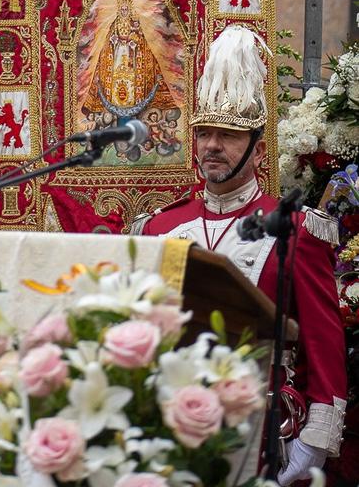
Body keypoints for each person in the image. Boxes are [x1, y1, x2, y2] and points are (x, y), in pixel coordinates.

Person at [132, 28, 346, 483]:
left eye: (228, 135)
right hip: (172, 421)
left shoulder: (298, 229)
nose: (211, 145)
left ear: (259, 149)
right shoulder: (160, 227)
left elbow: (323, 344)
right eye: (204, 133)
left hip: (265, 425)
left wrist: (314, 442)